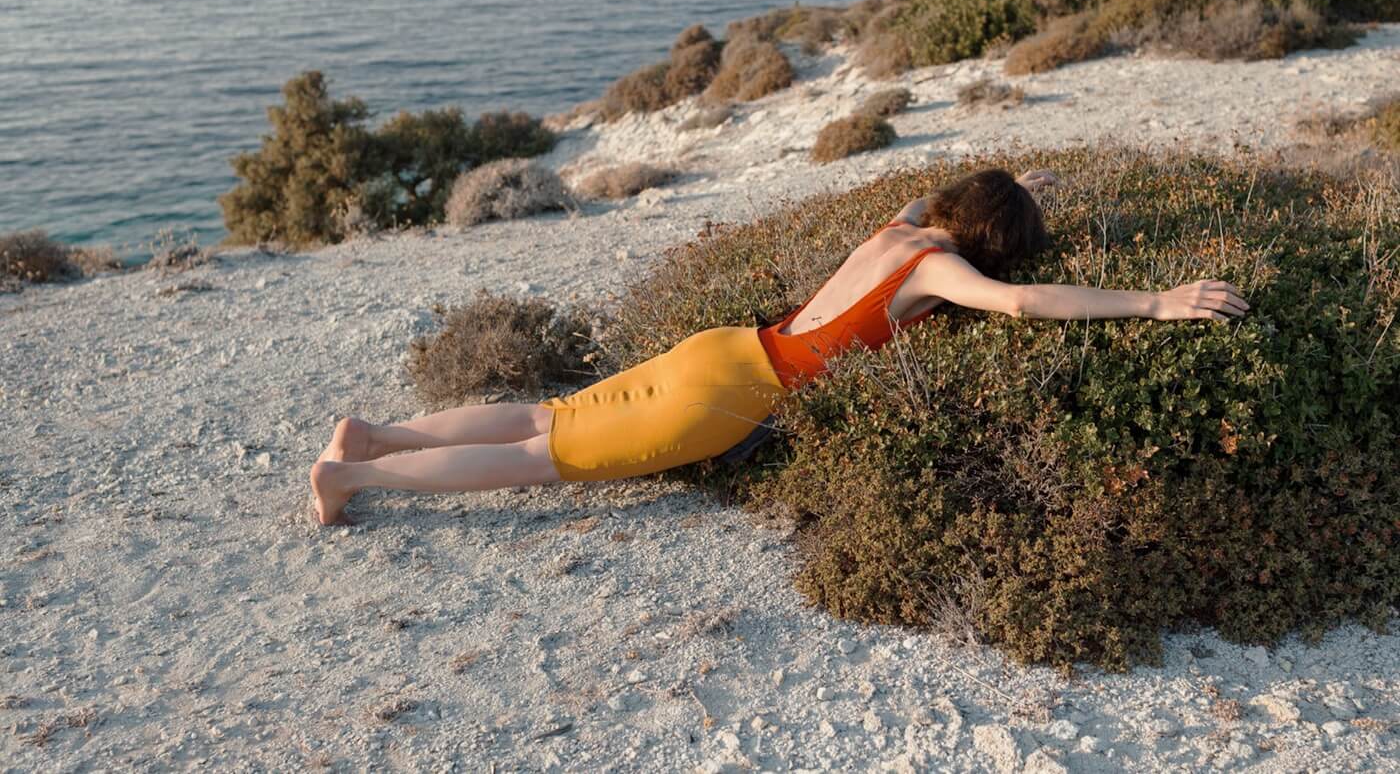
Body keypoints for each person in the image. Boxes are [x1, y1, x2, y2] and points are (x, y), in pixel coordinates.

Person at [309, 167, 1248, 525]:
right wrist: (1156, 301)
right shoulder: (939, 271)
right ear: (992, 238)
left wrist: (1015, 182)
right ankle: (354, 478)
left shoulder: (903, 230)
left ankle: (373, 434)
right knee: (535, 458)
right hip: (727, 400)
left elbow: (946, 199)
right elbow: (1023, 302)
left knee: (542, 414)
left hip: (719, 349)